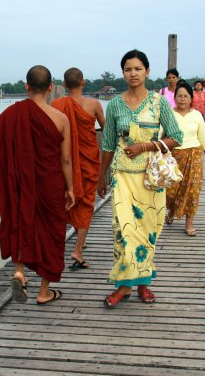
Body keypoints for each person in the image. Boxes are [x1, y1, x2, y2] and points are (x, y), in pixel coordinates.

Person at [97, 49, 183, 308]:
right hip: (122, 177)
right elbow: (109, 143)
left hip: (151, 180)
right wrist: (101, 178)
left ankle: (143, 284)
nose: (132, 73)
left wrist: (145, 147)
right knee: (122, 233)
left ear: (147, 71)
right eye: (127, 69)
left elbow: (176, 136)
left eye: (137, 68)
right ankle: (123, 288)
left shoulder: (159, 103)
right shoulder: (114, 105)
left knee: (147, 234)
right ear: (123, 73)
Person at [0, 65, 75, 305]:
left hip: (22, 184)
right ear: (51, 87)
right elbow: (66, 159)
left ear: (26, 86)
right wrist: (70, 188)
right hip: (50, 183)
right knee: (51, 232)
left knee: (23, 221)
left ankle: (19, 270)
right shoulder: (60, 118)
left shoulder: (8, 116)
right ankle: (44, 292)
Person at [51, 68, 105, 270]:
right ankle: (78, 251)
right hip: (88, 162)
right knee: (86, 204)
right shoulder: (94, 104)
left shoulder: (56, 104)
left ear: (64, 85)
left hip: (64, 163)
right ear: (83, 82)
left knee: (66, 201)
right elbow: (106, 130)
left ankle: (59, 248)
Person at [166, 82, 205, 235]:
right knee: (172, 190)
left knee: (192, 190)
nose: (182, 99)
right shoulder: (169, 113)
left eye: (186, 96)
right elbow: (161, 133)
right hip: (174, 156)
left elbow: (202, 136)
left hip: (194, 156)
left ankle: (189, 223)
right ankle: (171, 212)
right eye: (179, 96)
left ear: (191, 98)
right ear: (175, 98)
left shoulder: (196, 115)